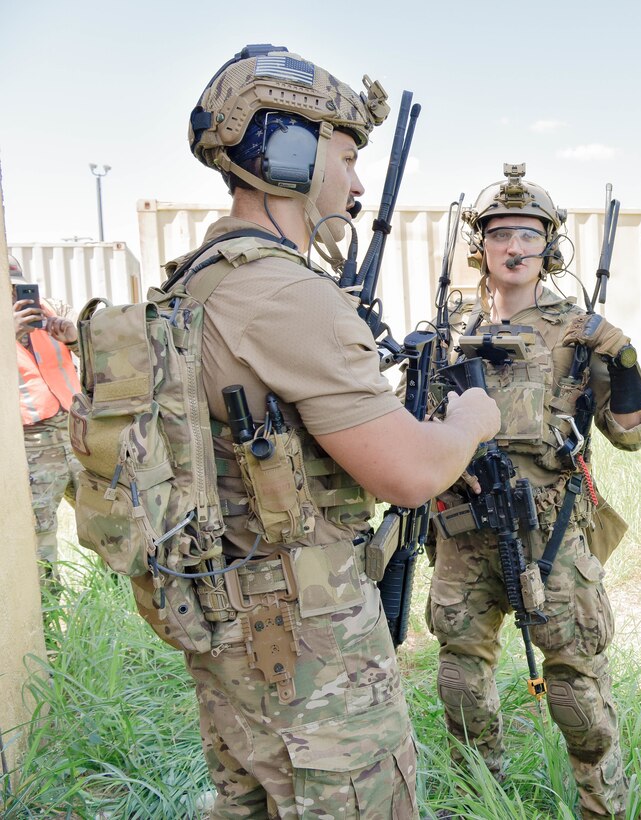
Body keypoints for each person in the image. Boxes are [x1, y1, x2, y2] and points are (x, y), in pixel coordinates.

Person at [162, 45, 499, 817]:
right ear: (285, 150)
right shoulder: (284, 293)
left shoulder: (196, 279)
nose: (354, 183)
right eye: (345, 157)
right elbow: (408, 473)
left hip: (229, 620)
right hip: (306, 639)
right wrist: (469, 423)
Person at [425, 164, 641, 819]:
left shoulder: (579, 331)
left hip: (551, 529)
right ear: (482, 248)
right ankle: (478, 800)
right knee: (461, 676)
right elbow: (415, 423)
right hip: (466, 529)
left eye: (527, 234)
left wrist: (625, 358)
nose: (513, 246)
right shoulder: (449, 331)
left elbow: (631, 435)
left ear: (549, 247)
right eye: (500, 235)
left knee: (577, 687)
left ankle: (602, 806)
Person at [11, 254, 82, 583]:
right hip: (33, 444)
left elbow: (97, 355)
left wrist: (72, 338)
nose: (14, 296)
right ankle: (49, 627)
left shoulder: (52, 309)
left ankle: (123, 596)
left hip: (76, 432)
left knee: (109, 520)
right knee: (40, 537)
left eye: (17, 288)